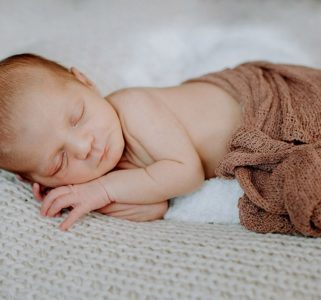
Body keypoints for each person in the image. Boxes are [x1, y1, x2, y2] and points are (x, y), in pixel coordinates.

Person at [0, 53, 242, 231]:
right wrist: (89, 199)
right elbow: (156, 208)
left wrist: (103, 190)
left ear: (86, 83)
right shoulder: (104, 175)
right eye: (58, 162)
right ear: (36, 181)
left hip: (254, 107)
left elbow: (187, 174)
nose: (83, 147)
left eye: (78, 117)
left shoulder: (132, 107)